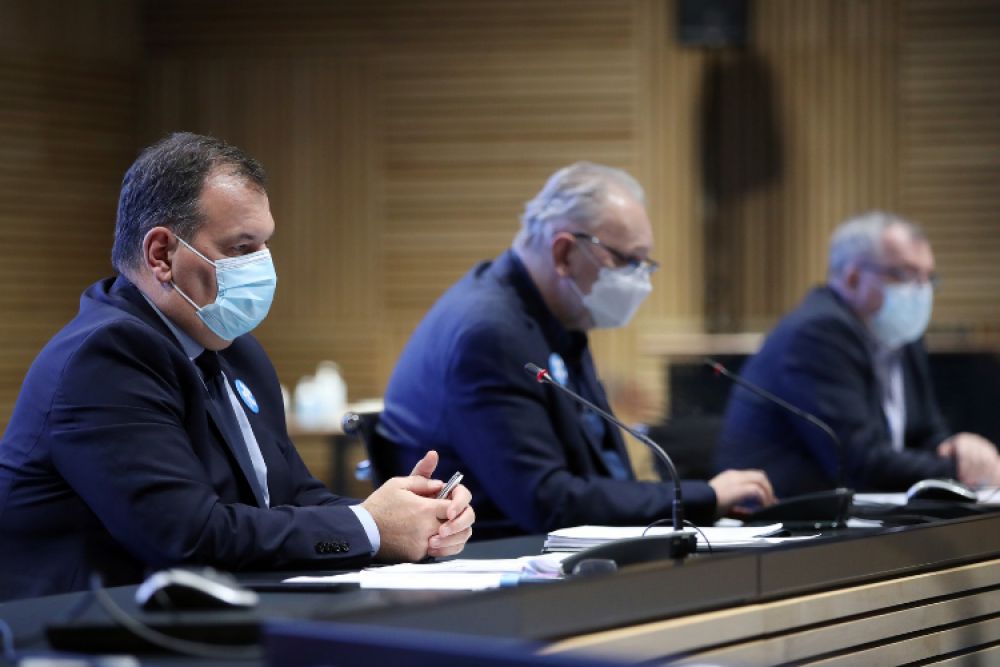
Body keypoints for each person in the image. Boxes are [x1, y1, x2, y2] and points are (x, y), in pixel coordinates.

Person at [0, 133, 474, 602]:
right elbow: (188, 537)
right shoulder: (107, 357)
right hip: (89, 630)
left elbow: (294, 496)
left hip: (211, 617)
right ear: (162, 254)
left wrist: (409, 518)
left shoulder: (235, 350)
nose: (263, 265)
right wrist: (369, 528)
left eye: (265, 244)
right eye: (241, 248)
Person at [378, 162, 775, 539]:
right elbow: (548, 501)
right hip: (500, 563)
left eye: (645, 264)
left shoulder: (554, 316)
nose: (640, 281)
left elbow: (602, 476)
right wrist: (704, 497)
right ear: (564, 253)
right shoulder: (489, 334)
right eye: (627, 261)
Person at [716, 211, 1000, 497]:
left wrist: (959, 448)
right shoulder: (817, 333)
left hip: (864, 511)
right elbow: (860, 463)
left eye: (928, 278)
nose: (921, 291)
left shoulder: (901, 335)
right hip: (783, 514)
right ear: (853, 279)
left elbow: (925, 433)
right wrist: (959, 470)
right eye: (906, 275)